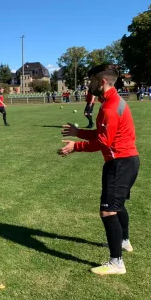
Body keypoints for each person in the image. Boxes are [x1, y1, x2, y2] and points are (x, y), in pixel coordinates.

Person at [59, 64, 139, 275]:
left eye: (92, 80)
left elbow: (104, 142)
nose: (89, 84)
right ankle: (124, 242)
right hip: (128, 160)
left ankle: (116, 263)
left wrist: (75, 146)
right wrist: (79, 133)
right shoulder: (113, 102)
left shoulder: (110, 107)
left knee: (108, 210)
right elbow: (102, 132)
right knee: (118, 205)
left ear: (102, 81)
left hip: (119, 163)